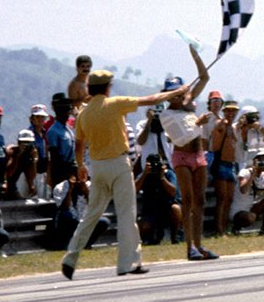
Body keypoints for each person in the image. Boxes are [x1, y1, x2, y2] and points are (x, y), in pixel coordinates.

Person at [61, 62, 189, 280]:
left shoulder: (84, 113)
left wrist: (81, 165)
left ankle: (70, 257)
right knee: (127, 214)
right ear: (107, 87)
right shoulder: (115, 104)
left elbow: (79, 144)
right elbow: (150, 100)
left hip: (97, 166)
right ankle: (127, 263)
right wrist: (177, 92)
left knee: (91, 214)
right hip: (119, 164)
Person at [157, 47, 219, 262]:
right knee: (188, 200)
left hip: (199, 155)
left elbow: (204, 77)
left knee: (200, 200)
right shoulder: (166, 114)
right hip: (182, 157)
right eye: (172, 92)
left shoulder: (188, 104)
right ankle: (189, 246)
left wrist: (195, 55)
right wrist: (198, 124)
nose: (176, 96)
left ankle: (200, 245)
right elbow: (181, 139)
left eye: (178, 92)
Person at [209, 99, 241, 234]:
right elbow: (215, 143)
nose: (231, 113)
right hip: (221, 163)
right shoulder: (221, 124)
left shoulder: (233, 127)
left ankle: (224, 227)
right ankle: (219, 229)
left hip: (230, 164)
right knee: (222, 198)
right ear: (224, 111)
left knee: (229, 199)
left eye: (233, 111)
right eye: (228, 110)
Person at [136, 153, 182, 245]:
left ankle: (175, 236)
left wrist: (162, 177)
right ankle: (149, 238)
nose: (154, 166)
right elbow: (135, 189)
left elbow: (173, 191)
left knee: (176, 209)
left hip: (167, 206)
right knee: (144, 226)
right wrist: (145, 174)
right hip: (150, 208)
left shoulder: (168, 173)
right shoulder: (144, 174)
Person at [50, 177, 108, 250]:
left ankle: (85, 244)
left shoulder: (90, 185)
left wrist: (86, 191)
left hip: (84, 220)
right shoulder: (60, 187)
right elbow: (63, 207)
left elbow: (95, 206)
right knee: (66, 215)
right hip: (70, 220)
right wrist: (70, 190)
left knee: (103, 221)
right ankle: (65, 245)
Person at [233, 149, 264, 235]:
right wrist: (253, 174)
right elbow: (243, 190)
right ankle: (236, 227)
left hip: (251, 208)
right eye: (259, 160)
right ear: (254, 161)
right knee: (251, 217)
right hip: (238, 210)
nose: (262, 162)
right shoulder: (245, 172)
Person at [4, 129, 41, 200]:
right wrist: (18, 156)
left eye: (29, 143)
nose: (26, 145)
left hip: (13, 186)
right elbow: (9, 173)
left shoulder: (30, 153)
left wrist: (34, 160)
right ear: (18, 142)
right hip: (5, 185)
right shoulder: (11, 151)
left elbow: (31, 176)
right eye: (24, 142)